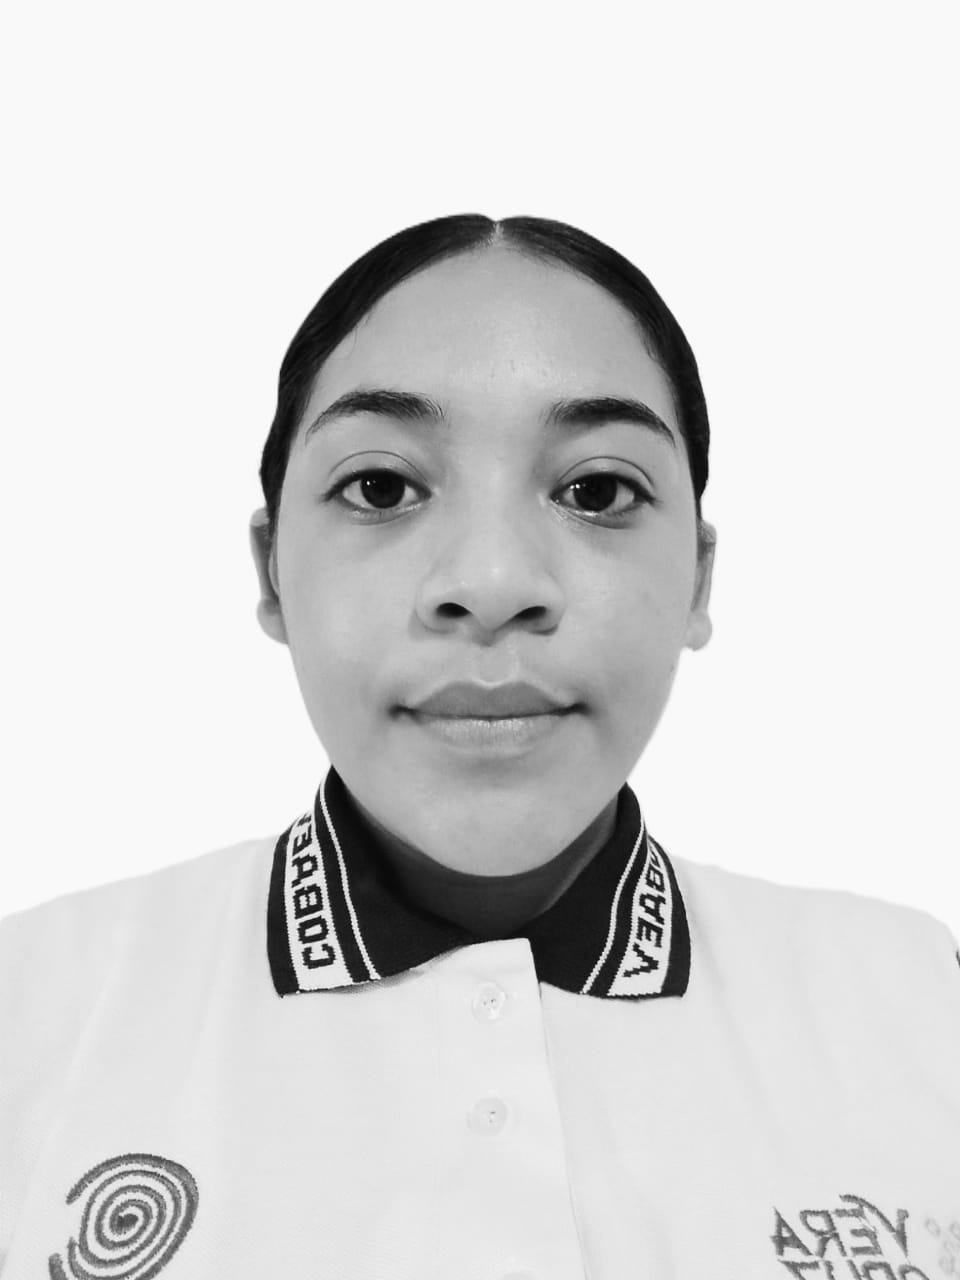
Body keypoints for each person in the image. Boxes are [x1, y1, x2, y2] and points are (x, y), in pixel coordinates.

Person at [1, 214, 957, 1279]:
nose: (493, 583)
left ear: (698, 574)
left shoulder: (923, 1008)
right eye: (381, 487)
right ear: (272, 571)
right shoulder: (31, 1016)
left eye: (597, 490)